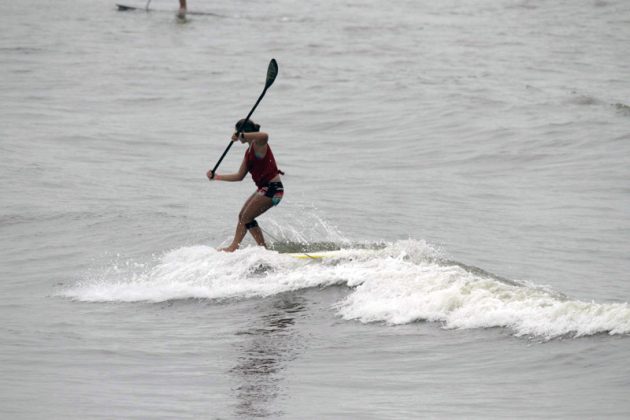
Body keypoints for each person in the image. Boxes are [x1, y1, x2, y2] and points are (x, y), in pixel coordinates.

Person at [207, 119, 284, 252]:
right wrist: (217, 177)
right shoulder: (248, 152)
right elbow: (239, 176)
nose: (236, 134)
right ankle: (261, 249)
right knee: (242, 216)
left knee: (246, 217)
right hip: (264, 189)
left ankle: (236, 248)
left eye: (238, 131)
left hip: (273, 189)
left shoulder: (258, 144)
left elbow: (264, 135)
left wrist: (242, 136)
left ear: (244, 132)